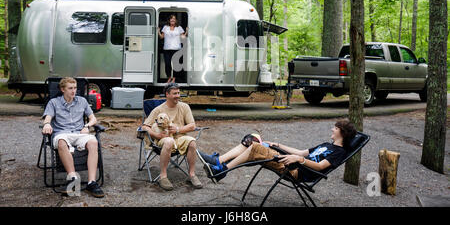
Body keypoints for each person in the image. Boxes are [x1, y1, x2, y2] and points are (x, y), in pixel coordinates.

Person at [199, 120, 356, 183]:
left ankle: (222, 170)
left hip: (295, 170)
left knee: (255, 148)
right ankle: (218, 162)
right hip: (291, 160)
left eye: (335, 128)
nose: (332, 129)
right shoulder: (327, 145)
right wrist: (278, 144)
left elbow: (321, 166)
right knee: (253, 138)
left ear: (342, 133)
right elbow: (301, 152)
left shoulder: (339, 152)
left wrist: (299, 161)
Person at [41, 77, 104, 198]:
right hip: (62, 133)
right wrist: (47, 124)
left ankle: (92, 182)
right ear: (62, 89)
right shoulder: (54, 102)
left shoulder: (82, 101)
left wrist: (87, 125)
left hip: (79, 133)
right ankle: (73, 178)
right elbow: (48, 117)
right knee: (61, 142)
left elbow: (93, 119)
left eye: (75, 88)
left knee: (93, 142)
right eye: (70, 88)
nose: (74, 91)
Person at [141, 82, 203, 191]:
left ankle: (192, 175)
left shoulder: (184, 107)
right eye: (175, 93)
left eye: (178, 93)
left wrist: (178, 129)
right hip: (163, 139)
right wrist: (157, 135)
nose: (178, 96)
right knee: (169, 141)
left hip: (179, 138)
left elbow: (192, 125)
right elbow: (145, 127)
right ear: (167, 95)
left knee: (192, 142)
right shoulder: (158, 110)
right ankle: (163, 176)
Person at [158, 15, 187, 83]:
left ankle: (174, 79)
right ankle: (169, 78)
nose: (172, 20)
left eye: (174, 19)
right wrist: (158, 31)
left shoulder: (179, 28)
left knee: (175, 65)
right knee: (167, 64)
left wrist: (186, 32)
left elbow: (183, 37)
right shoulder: (165, 27)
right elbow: (162, 37)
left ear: (176, 20)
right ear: (169, 20)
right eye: (171, 19)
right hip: (167, 49)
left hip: (176, 49)